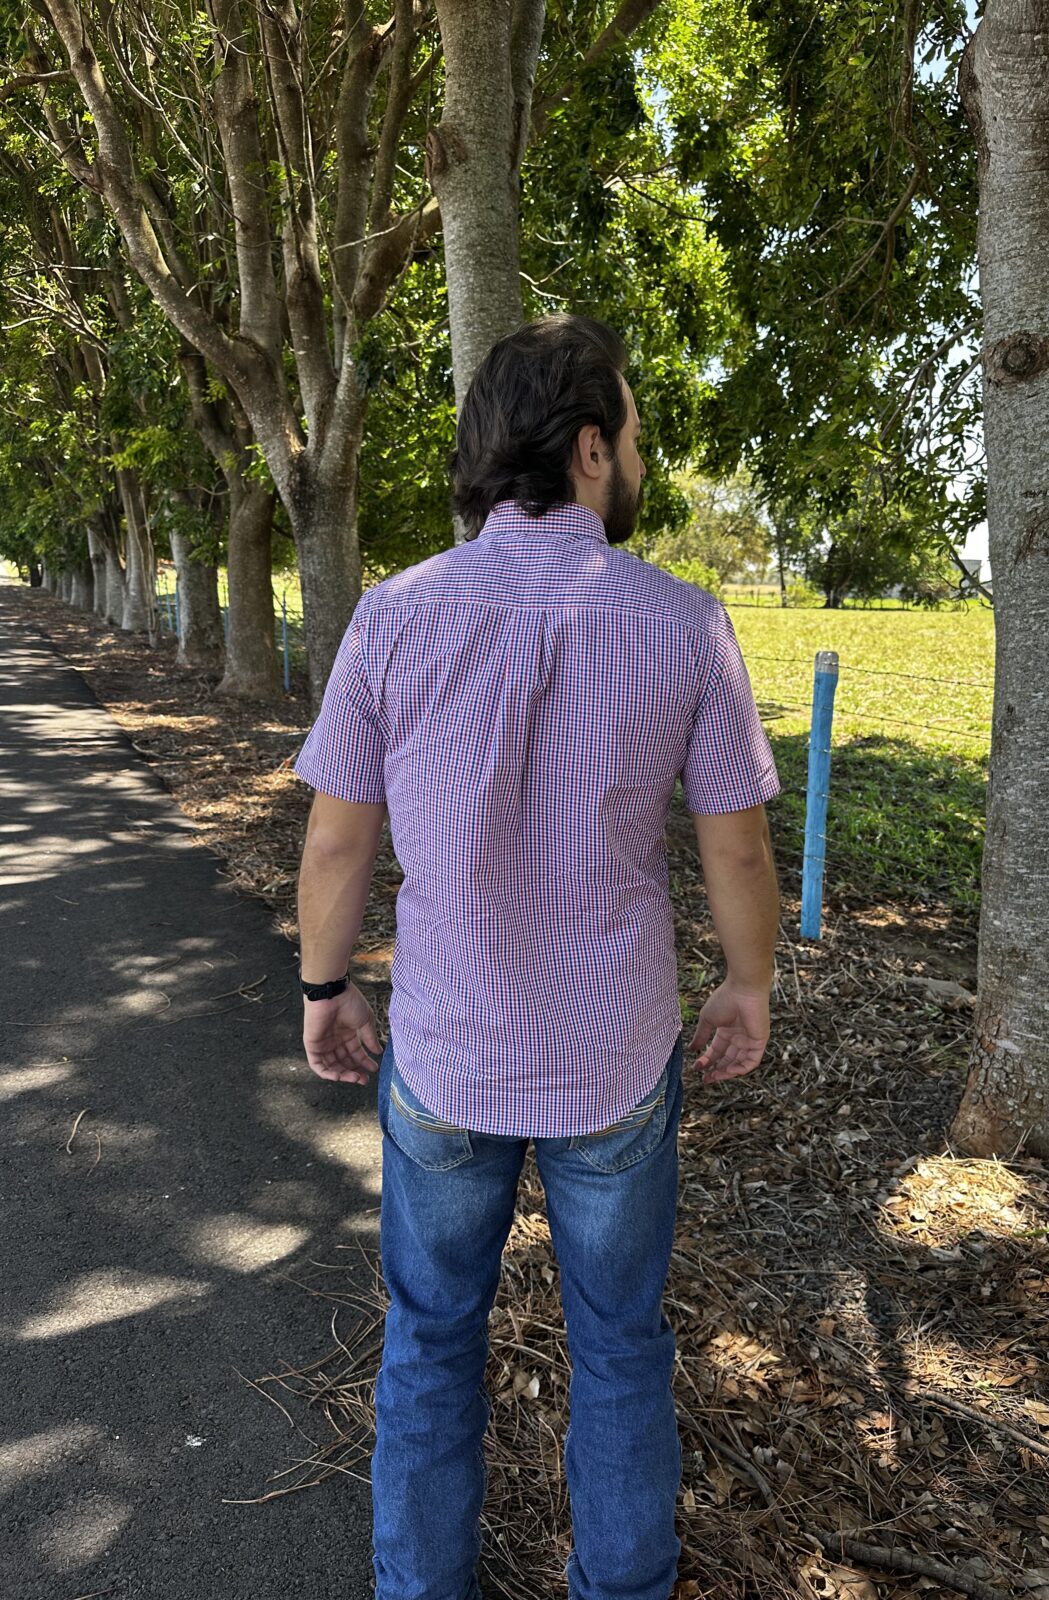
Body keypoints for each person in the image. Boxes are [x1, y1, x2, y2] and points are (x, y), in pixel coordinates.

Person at [292, 312, 782, 1600]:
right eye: (634, 435)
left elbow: (337, 840)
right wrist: (747, 986)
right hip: (612, 1061)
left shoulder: (393, 615)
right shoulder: (684, 622)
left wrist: (325, 990)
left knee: (429, 1343)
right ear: (587, 449)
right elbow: (734, 848)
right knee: (619, 1346)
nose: (640, 459)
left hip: (446, 1057)